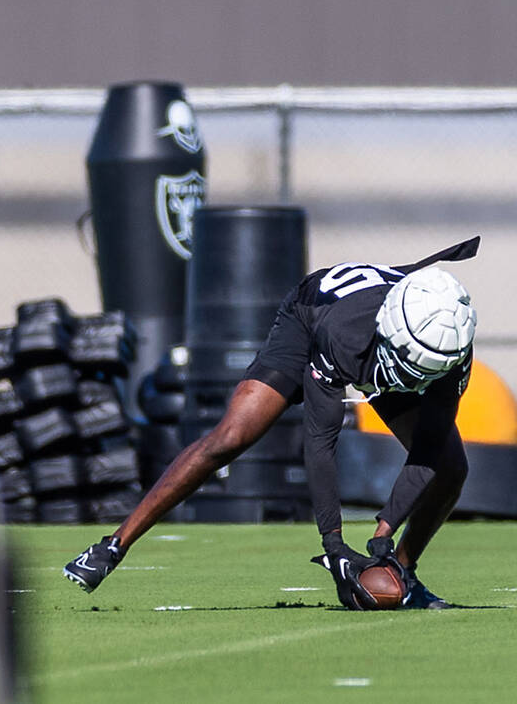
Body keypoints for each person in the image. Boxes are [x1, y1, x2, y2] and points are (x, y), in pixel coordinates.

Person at [64, 237, 480, 610]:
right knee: (231, 437)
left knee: (451, 465)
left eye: (422, 372)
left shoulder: (449, 349)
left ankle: (401, 574)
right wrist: (334, 545)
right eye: (406, 365)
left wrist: (382, 536)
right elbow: (319, 442)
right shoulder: (343, 335)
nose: (411, 381)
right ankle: (111, 546)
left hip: (378, 337)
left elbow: (429, 447)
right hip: (310, 315)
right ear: (392, 336)